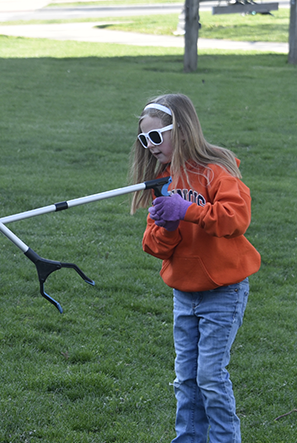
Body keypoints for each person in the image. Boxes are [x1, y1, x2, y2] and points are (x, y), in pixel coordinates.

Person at [129, 93, 260, 443]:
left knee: (211, 377)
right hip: (184, 294)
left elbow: (235, 219)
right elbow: (153, 245)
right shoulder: (162, 182)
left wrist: (187, 212)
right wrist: (168, 226)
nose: (150, 146)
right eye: (144, 139)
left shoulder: (217, 171)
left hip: (223, 291)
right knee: (185, 378)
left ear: (182, 131)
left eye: (156, 137)